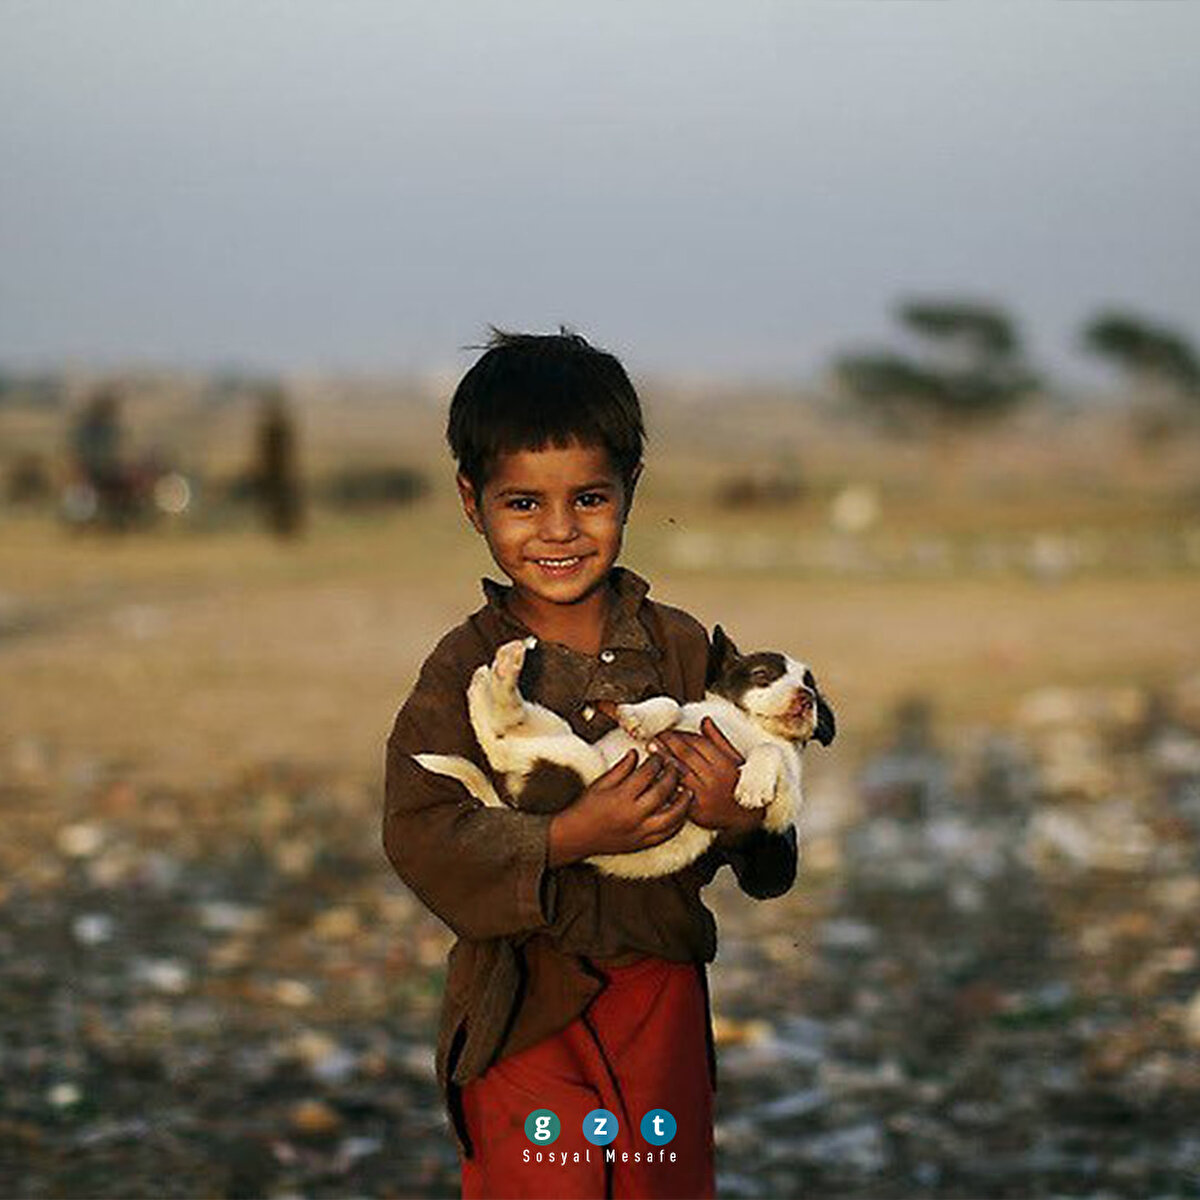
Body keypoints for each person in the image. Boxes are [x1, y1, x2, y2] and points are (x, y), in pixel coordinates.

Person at [383, 330, 797, 1199]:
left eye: (591, 498)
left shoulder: (686, 650)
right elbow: (421, 831)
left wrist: (742, 816)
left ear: (630, 493)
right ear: (472, 500)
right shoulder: (465, 667)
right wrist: (567, 835)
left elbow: (770, 845)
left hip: (661, 998)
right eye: (524, 504)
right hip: (520, 1008)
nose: (561, 532)